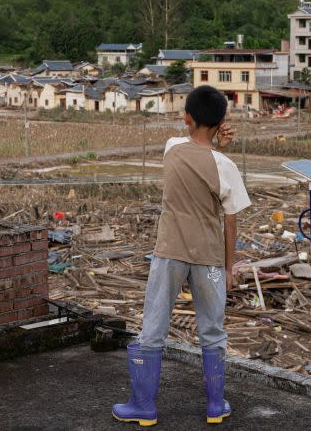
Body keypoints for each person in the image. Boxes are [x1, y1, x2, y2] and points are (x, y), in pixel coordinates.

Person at [113, 85, 251, 427]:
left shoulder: (172, 148)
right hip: (209, 259)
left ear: (186, 117)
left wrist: (212, 140)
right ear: (222, 121)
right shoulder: (226, 165)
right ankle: (215, 405)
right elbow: (230, 220)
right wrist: (229, 266)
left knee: (154, 327)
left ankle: (144, 407)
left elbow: (192, 148)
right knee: (213, 330)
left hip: (169, 252)